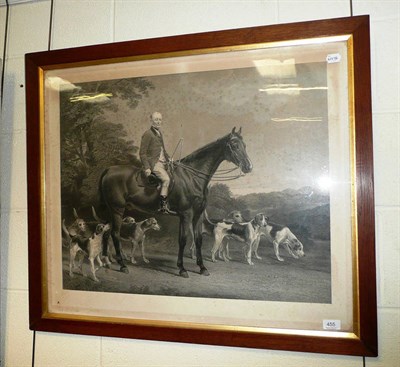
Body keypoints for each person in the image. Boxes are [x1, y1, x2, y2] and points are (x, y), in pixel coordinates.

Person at [139, 111, 171, 213]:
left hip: (163, 162)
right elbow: (142, 153)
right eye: (156, 119)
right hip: (154, 164)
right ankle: (162, 205)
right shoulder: (148, 134)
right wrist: (147, 167)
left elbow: (163, 150)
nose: (158, 122)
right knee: (166, 179)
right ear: (151, 121)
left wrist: (169, 158)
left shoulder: (159, 133)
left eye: (160, 119)